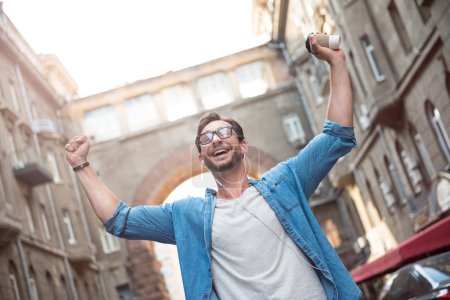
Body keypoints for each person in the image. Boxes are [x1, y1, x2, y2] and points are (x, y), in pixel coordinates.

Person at [64, 33, 361, 300]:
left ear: (243, 146)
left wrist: (337, 62)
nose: (215, 140)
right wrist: (81, 166)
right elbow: (120, 220)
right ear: (201, 159)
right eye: (205, 139)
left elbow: (335, 136)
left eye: (223, 133)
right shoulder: (188, 217)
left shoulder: (286, 182)